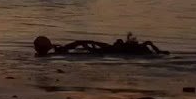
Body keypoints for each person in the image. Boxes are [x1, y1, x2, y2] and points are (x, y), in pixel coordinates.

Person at [33, 34, 167, 56]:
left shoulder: (114, 50)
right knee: (81, 42)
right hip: (104, 49)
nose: (118, 41)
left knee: (81, 43)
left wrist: (89, 47)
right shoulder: (115, 49)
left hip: (105, 50)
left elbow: (97, 51)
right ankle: (57, 49)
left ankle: (57, 49)